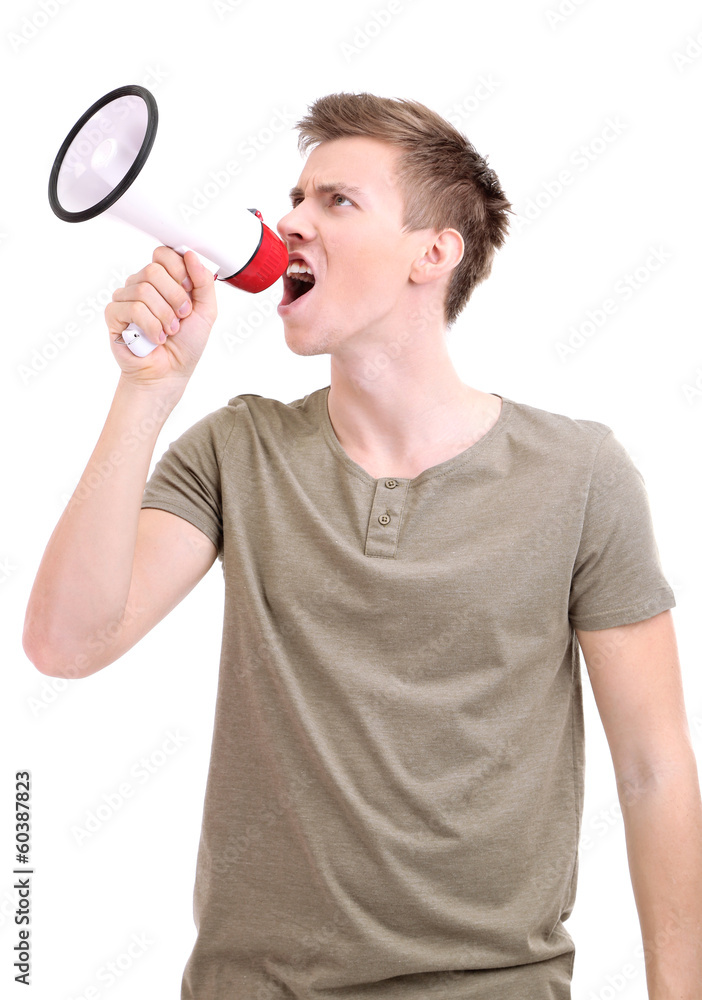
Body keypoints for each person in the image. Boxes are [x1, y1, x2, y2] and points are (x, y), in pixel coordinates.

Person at [23, 93, 702, 1000]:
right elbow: (66, 643)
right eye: (295, 198)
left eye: (337, 201)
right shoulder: (237, 450)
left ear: (434, 253)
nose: (291, 223)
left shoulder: (581, 473)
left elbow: (654, 771)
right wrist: (146, 391)